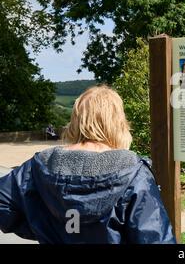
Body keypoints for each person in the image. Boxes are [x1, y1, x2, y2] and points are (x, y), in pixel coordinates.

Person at [0, 85, 175, 244]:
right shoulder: (133, 172)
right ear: (117, 123)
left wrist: (42, 227)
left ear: (76, 121)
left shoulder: (39, 165)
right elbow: (155, 238)